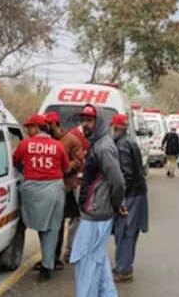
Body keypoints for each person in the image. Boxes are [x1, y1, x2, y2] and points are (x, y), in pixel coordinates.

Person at [70, 104, 125, 297]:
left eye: (89, 120)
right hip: (96, 212)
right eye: (83, 120)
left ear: (99, 122)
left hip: (96, 215)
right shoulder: (98, 143)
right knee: (97, 259)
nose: (85, 124)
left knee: (85, 261)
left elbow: (118, 181)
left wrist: (117, 205)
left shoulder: (103, 147)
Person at [13, 114, 69, 281]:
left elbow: (15, 161)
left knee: (40, 225)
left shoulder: (25, 144)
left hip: (32, 191)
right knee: (52, 228)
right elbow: (66, 168)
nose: (28, 131)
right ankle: (47, 265)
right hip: (54, 190)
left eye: (29, 127)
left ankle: (46, 262)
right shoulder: (58, 145)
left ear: (36, 128)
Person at [45, 111, 90, 266]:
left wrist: (63, 168)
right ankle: (49, 256)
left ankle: (55, 257)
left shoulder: (71, 140)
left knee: (58, 222)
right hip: (47, 186)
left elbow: (78, 161)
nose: (46, 127)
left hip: (65, 187)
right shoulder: (45, 140)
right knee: (48, 223)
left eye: (49, 124)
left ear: (55, 124)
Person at [110, 114, 148, 283]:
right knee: (126, 231)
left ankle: (124, 269)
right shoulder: (127, 141)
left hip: (131, 194)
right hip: (136, 192)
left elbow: (126, 174)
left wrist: (121, 199)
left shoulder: (122, 145)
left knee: (125, 232)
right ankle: (123, 265)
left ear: (116, 127)